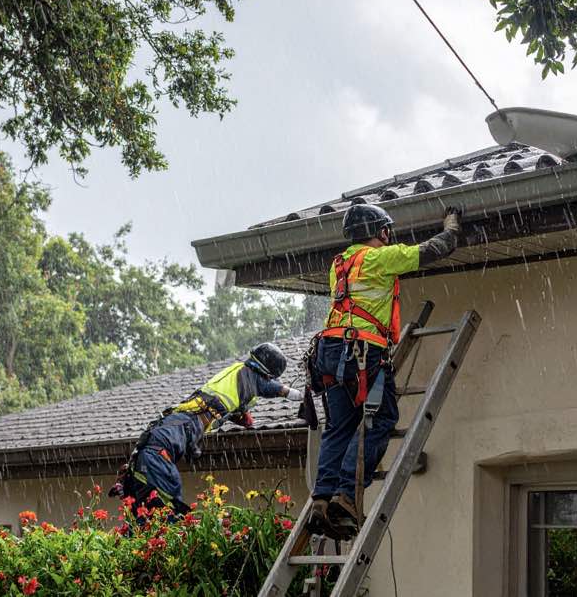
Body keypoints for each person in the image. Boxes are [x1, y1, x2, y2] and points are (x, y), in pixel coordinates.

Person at [308, 203, 461, 538]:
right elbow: (433, 250)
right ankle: (347, 495)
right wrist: (451, 228)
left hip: (330, 354)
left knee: (339, 427)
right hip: (361, 353)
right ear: (379, 231)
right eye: (386, 232)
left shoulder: (340, 264)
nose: (389, 237)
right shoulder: (378, 258)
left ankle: (322, 498)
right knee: (380, 418)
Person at [110, 342, 303, 516]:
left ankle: (134, 496)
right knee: (169, 505)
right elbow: (272, 388)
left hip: (155, 442)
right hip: (163, 444)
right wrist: (300, 394)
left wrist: (244, 418)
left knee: (146, 514)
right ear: (267, 373)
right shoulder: (250, 375)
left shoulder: (235, 379)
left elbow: (238, 413)